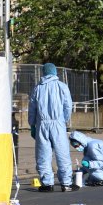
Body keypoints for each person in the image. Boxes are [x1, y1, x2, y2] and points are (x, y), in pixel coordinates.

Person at [28, 62, 77, 192]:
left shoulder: (37, 88)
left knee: (43, 155)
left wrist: (32, 125)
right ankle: (66, 183)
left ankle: (47, 184)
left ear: (43, 73)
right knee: (62, 154)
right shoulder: (62, 87)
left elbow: (32, 109)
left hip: (42, 124)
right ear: (55, 72)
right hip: (58, 124)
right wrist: (64, 120)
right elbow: (68, 106)